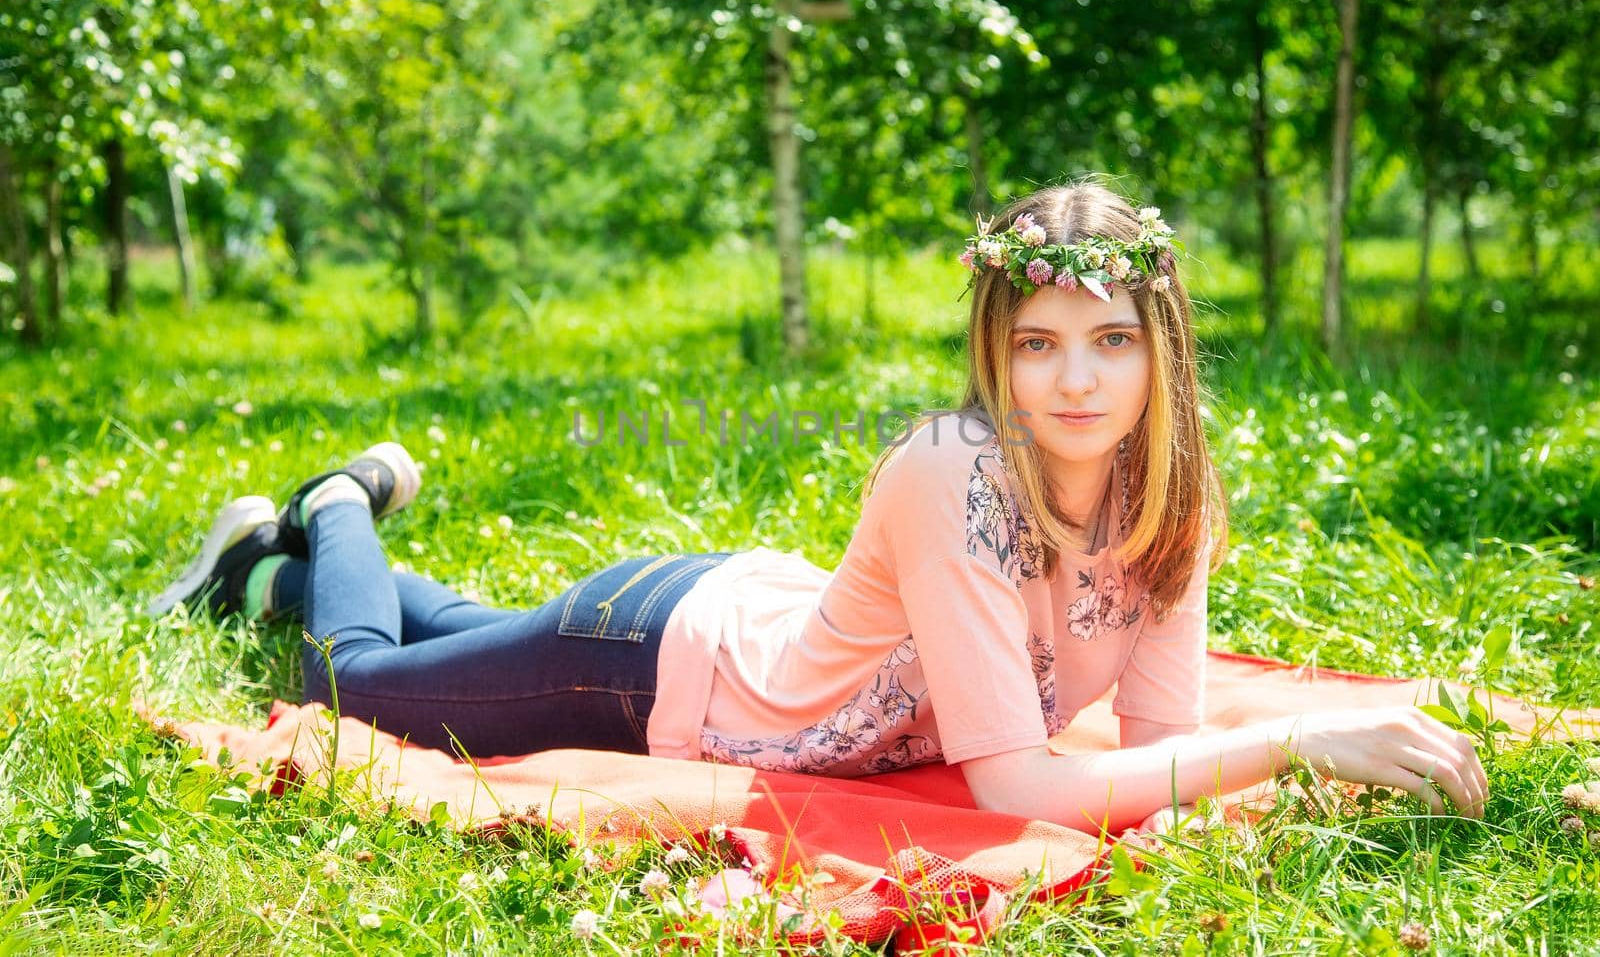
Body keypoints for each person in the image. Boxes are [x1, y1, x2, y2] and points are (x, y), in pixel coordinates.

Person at [152, 178, 1488, 836]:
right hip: (651, 670)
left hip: (718, 616)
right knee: (361, 680)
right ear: (994, 354)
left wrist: (1312, 759)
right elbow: (1022, 783)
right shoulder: (955, 475)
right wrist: (1305, 739)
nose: (1074, 380)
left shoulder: (1173, 508)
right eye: (1036, 345)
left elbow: (1160, 747)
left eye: (1109, 342)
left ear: (1164, 350)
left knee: (464, 631)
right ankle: (336, 508)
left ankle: (256, 570)